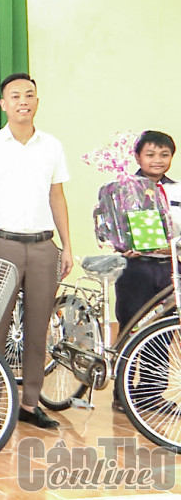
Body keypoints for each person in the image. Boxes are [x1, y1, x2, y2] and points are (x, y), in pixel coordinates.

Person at [0, 72, 73, 430]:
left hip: (44, 247)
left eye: (29, 95)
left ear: (37, 102)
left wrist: (67, 246)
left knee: (38, 328)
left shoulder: (52, 146)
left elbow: (57, 196)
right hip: (2, 244)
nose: (22, 101)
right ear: (3, 104)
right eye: (15, 96)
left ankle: (29, 404)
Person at [112, 130, 179, 412]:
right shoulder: (122, 189)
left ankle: (150, 393)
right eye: (150, 154)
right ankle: (122, 393)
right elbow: (111, 225)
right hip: (135, 268)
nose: (157, 160)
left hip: (170, 268)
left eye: (164, 155)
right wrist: (120, 246)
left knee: (163, 332)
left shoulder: (177, 190)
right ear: (138, 156)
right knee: (130, 327)